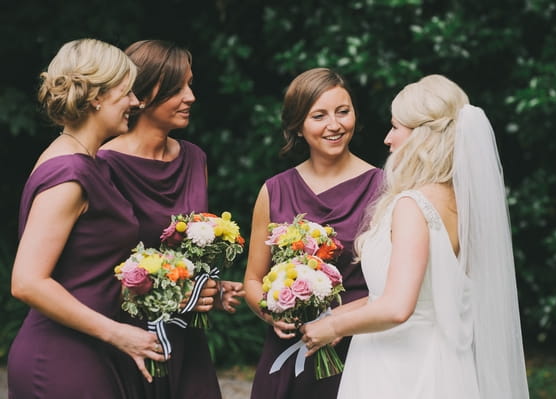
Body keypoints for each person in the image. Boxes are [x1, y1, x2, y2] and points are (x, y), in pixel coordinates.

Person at [299, 74, 530, 398]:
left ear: (422, 137)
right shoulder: (460, 203)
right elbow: (416, 295)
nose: (387, 139)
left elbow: (398, 307)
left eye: (396, 127)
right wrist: (342, 314)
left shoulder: (412, 205)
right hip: (446, 367)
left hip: (401, 371)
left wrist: (332, 328)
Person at [7, 38, 167, 399]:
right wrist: (117, 332)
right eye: (126, 92)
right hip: (62, 357)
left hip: (91, 350)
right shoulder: (69, 172)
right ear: (96, 97)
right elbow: (27, 282)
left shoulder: (90, 162)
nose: (136, 103)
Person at [98, 39, 244, 399]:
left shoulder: (194, 158)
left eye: (190, 84)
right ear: (143, 93)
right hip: (129, 337)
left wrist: (211, 286)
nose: (191, 96)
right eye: (178, 87)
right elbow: (89, 266)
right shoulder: (103, 165)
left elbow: (192, 251)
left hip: (186, 336)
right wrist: (164, 294)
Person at [244, 67, 383, 399]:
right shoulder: (273, 191)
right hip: (288, 349)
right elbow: (252, 279)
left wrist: (339, 319)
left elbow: (395, 288)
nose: (334, 125)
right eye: (319, 115)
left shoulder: (384, 188)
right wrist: (270, 312)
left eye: (343, 112)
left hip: (359, 351)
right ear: (298, 126)